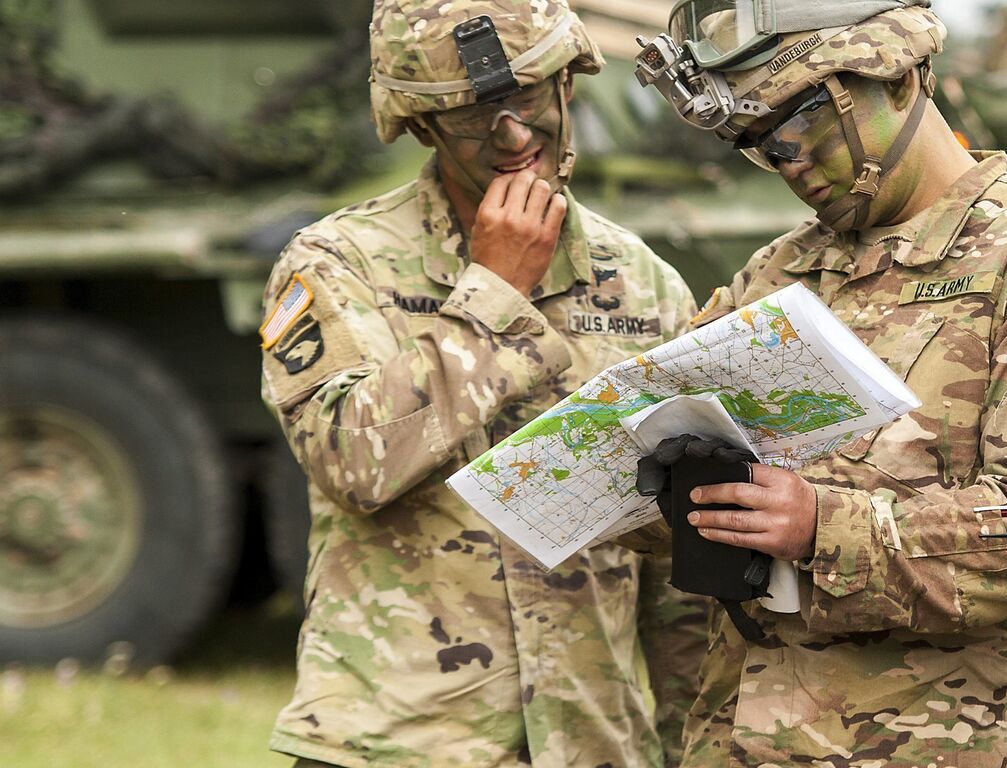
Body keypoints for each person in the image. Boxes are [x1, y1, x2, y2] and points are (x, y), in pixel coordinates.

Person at [629, 1, 1007, 764]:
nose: (786, 160)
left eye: (802, 120)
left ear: (901, 78)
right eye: (757, 143)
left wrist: (822, 526)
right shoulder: (779, 273)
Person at [258, 0, 706, 765]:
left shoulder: (643, 286)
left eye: (528, 95)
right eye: (473, 113)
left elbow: (685, 581)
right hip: (395, 744)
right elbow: (353, 461)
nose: (513, 136)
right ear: (421, 125)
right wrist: (493, 292)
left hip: (590, 744)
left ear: (571, 82)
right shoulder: (336, 263)